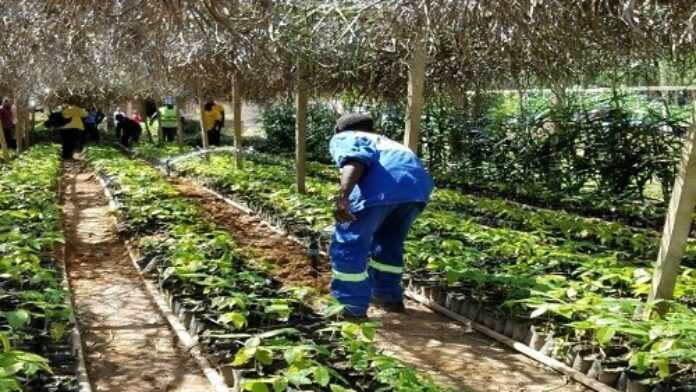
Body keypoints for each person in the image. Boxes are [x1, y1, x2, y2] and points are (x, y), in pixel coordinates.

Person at [328, 113, 433, 319]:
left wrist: (343, 198)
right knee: (388, 244)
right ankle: (388, 298)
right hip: (415, 192)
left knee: (350, 244)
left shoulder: (347, 137)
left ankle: (350, 308)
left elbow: (355, 160)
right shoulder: (389, 142)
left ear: (339, 131)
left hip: (380, 191)